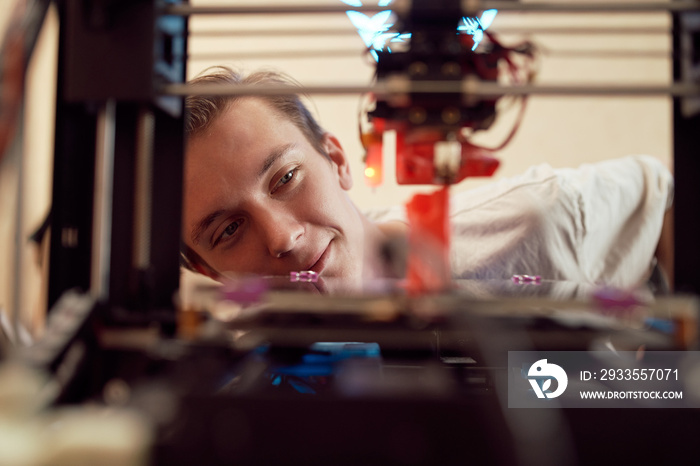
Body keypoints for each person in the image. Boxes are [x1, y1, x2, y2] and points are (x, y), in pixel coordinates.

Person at [181, 66, 674, 294]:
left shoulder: (537, 219)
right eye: (228, 230)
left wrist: (654, 391)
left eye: (286, 177)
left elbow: (667, 202)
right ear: (209, 272)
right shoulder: (238, 394)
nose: (283, 236)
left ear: (336, 158)